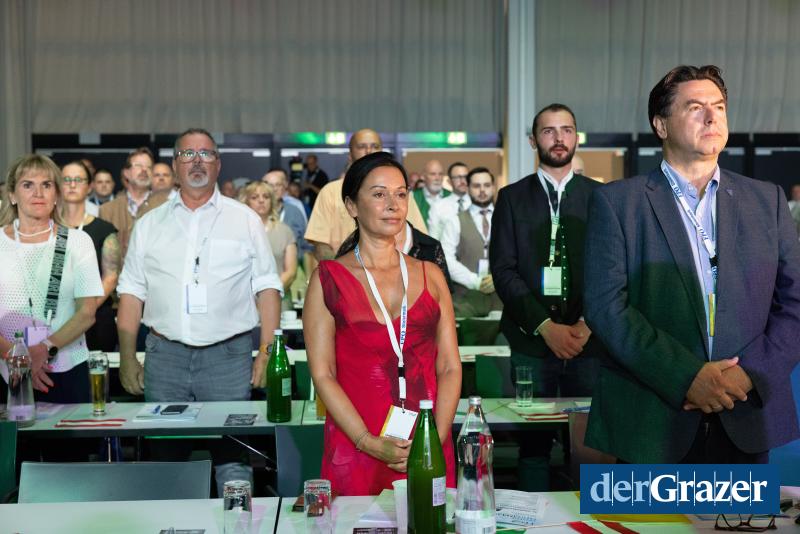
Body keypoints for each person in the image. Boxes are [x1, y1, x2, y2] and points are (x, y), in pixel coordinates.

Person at [584, 65, 800, 464]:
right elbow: (606, 308)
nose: (712, 117)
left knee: (743, 509)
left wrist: (748, 374)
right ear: (661, 125)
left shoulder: (767, 200)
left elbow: (794, 303)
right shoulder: (618, 203)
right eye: (695, 107)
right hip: (652, 418)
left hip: (745, 412)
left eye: (719, 106)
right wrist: (686, 377)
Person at [116, 128, 283, 493]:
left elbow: (268, 287)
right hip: (165, 357)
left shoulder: (244, 219)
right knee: (166, 460)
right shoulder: (150, 224)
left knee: (232, 458)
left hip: (228, 358)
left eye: (205, 154)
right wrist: (127, 357)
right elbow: (130, 292)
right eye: (187, 154)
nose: (196, 161)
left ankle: (237, 521)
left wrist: (267, 353)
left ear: (218, 164)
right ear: (175, 165)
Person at [304, 151, 461, 496]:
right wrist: (366, 441)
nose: (393, 204)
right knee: (357, 519)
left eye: (401, 194)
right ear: (352, 205)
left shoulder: (430, 274)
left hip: (427, 438)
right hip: (358, 439)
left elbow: (450, 366)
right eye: (379, 194)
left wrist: (435, 437)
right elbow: (323, 373)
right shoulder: (328, 278)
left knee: (429, 518)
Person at [490, 103, 604, 490]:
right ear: (532, 141)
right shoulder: (512, 197)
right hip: (531, 341)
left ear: (576, 138)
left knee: (589, 443)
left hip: (589, 342)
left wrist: (587, 324)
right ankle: (533, 515)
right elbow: (503, 270)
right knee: (533, 444)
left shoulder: (601, 197)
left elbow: (612, 269)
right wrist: (545, 326)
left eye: (566, 130)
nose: (558, 138)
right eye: (549, 131)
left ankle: (593, 519)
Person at [0, 154, 103, 403]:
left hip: (68, 369)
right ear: (12, 195)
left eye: (46, 185)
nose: (38, 193)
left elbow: (87, 313)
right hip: (6, 369)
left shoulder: (77, 242)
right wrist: (15, 356)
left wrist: (43, 349)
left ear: (56, 194)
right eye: (28, 185)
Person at [305, 128, 428, 261]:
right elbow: (320, 244)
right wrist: (340, 270)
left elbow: (418, 240)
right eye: (362, 147)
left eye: (375, 146)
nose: (369, 151)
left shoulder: (399, 192)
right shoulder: (330, 191)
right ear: (350, 155)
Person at [59, 161, 122, 351]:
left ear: (89, 187)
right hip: (55, 316)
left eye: (78, 180)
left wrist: (85, 311)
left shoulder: (104, 230)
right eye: (66, 179)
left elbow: (110, 277)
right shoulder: (48, 228)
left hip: (96, 316)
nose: (72, 185)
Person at [441, 167, 501, 319]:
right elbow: (446, 259)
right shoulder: (454, 221)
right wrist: (475, 281)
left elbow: (518, 255)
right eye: (476, 186)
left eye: (487, 185)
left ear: (493, 187)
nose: (482, 190)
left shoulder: (506, 219)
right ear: (468, 188)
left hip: (500, 299)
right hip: (464, 301)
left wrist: (499, 278)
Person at [99, 148, 169, 261]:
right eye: (138, 165)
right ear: (126, 173)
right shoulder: (107, 210)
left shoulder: (165, 206)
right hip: (118, 271)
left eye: (149, 167)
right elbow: (104, 255)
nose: (144, 170)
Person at [239, 181, 298, 305]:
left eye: (266, 197)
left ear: (271, 201)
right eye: (255, 197)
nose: (261, 201)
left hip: (279, 300)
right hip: (244, 302)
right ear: (246, 202)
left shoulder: (284, 231)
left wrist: (269, 296)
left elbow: (291, 271)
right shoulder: (238, 232)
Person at [428, 162, 471, 240]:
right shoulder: (438, 206)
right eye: (458, 177)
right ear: (449, 181)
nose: (462, 181)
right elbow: (433, 238)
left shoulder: (477, 204)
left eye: (465, 177)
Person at [412, 160, 451, 227]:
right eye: (433, 174)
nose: (437, 178)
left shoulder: (451, 197)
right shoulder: (413, 197)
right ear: (423, 177)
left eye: (440, 174)